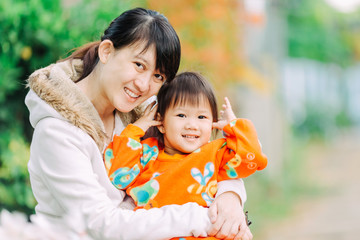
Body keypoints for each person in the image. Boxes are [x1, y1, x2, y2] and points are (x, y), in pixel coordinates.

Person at [25, 7, 251, 240]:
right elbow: (102, 224)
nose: (144, 85)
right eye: (139, 65)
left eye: (158, 76)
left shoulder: (143, 114)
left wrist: (230, 200)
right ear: (106, 51)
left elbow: (199, 162)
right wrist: (205, 219)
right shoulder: (56, 133)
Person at [105, 72, 268, 240]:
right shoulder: (148, 153)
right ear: (160, 121)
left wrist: (234, 127)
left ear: (213, 123)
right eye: (181, 115)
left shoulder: (216, 154)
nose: (192, 125)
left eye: (202, 117)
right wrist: (136, 129)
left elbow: (253, 157)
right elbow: (118, 176)